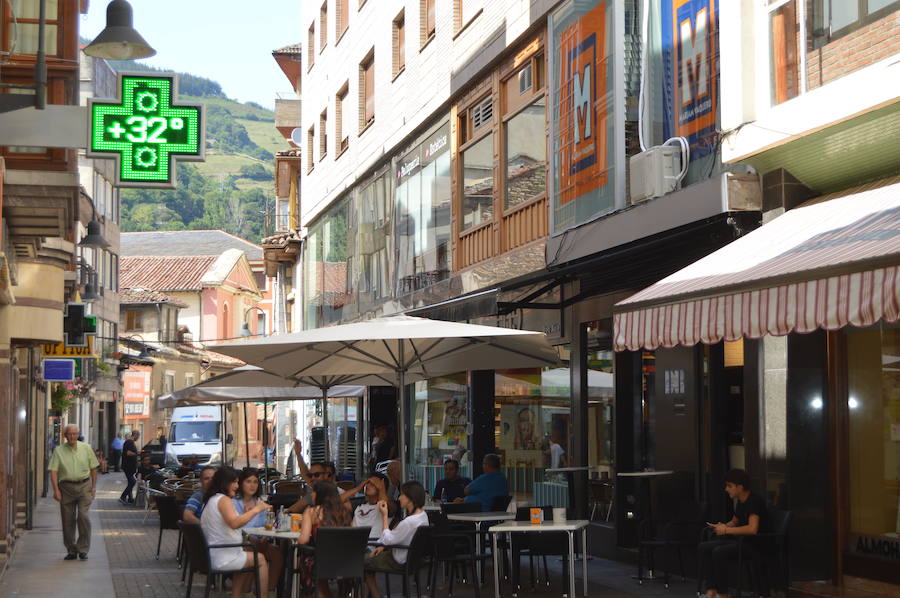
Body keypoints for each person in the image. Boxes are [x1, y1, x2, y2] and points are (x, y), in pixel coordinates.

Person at [200, 467, 272, 598]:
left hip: (218, 553)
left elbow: (230, 523)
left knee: (246, 555)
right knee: (260, 558)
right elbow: (234, 523)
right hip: (224, 556)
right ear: (225, 483)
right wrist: (257, 509)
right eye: (234, 482)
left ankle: (237, 595)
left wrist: (246, 514)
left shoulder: (212, 499)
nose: (236, 486)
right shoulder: (223, 500)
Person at [699, 469, 768, 598]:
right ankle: (711, 591)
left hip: (756, 545)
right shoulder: (741, 502)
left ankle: (723, 594)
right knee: (704, 547)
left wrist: (726, 530)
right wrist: (723, 526)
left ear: (740, 487)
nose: (726, 489)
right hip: (742, 542)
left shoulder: (754, 501)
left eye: (729, 486)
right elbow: (734, 522)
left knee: (719, 552)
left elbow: (753, 529)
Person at [364, 481, 429, 598]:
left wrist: (385, 515)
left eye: (402, 495)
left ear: (410, 498)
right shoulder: (423, 516)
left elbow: (387, 540)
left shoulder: (409, 522)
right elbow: (395, 539)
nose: (399, 498)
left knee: (361, 561)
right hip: (411, 559)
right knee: (368, 563)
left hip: (397, 560)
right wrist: (383, 546)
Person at [48, 424, 99, 560]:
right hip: (66, 488)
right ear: (65, 436)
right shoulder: (59, 451)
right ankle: (71, 549)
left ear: (78, 434)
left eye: (75, 434)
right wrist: (56, 490)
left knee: (83, 516)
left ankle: (82, 548)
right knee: (67, 520)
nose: (72, 436)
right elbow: (53, 471)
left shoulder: (86, 448)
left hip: (84, 486)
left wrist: (94, 487)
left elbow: (94, 468)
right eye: (69, 434)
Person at [297, 481, 353, 598]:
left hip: (321, 562)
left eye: (313, 492)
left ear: (320, 495)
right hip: (347, 562)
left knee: (305, 558)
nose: (311, 495)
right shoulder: (344, 512)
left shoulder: (312, 512)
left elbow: (303, 540)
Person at [233, 468, 283, 593]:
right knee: (252, 549)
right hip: (241, 544)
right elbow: (236, 526)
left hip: (260, 542)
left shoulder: (260, 502)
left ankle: (268, 590)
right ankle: (246, 590)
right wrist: (253, 538)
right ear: (241, 483)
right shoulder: (234, 503)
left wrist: (266, 537)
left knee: (277, 553)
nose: (252, 485)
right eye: (248, 481)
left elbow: (267, 524)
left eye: (255, 482)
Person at [352, 474, 390, 543]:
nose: (368, 486)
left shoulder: (384, 507)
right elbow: (335, 503)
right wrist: (357, 488)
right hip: (354, 546)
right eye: (367, 483)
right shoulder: (359, 507)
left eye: (373, 484)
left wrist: (381, 489)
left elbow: (387, 507)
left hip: (373, 548)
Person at [119, 430, 140, 505]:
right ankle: (123, 496)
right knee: (132, 482)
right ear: (136, 435)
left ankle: (130, 499)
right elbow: (128, 453)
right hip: (129, 466)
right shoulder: (130, 442)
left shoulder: (128, 442)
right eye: (138, 436)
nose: (138, 438)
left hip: (128, 466)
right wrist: (137, 454)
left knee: (130, 482)